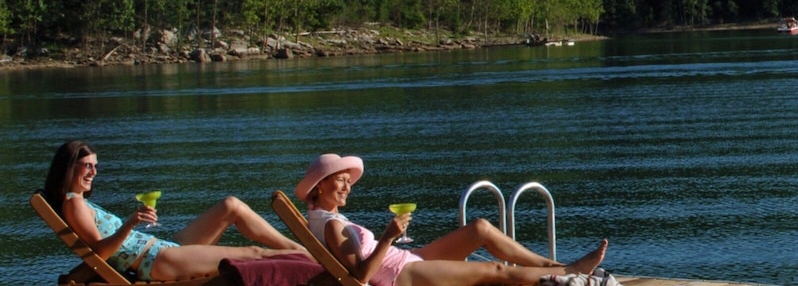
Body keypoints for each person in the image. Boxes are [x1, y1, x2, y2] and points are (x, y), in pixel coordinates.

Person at [298, 153, 607, 286]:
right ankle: (567, 274)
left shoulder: (326, 219)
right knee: (493, 270)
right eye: (340, 180)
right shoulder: (331, 225)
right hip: (400, 277)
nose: (348, 186)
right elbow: (362, 277)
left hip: (406, 260)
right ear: (320, 184)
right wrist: (390, 235)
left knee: (480, 229)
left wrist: (392, 242)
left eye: (348, 181)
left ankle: (558, 267)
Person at [39, 140, 308, 281]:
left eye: (95, 166)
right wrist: (130, 223)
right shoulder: (74, 203)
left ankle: (303, 250)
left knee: (231, 206)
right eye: (87, 166)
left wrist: (133, 223)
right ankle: (313, 261)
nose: (94, 172)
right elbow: (99, 253)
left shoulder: (81, 202)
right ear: (70, 167)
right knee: (253, 254)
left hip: (162, 249)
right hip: (156, 261)